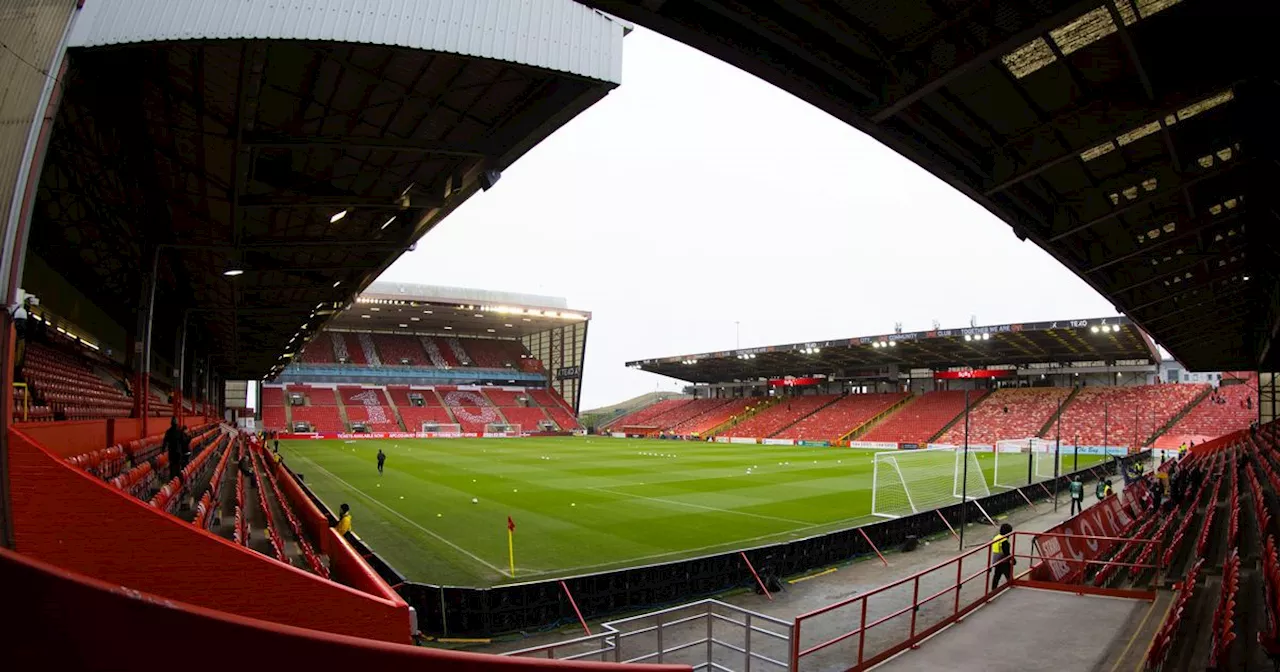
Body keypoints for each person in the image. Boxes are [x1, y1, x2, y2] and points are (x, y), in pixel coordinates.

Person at [990, 523, 1015, 590]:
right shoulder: (1004, 541)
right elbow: (1006, 553)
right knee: (1009, 575)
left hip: (996, 560)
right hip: (1003, 561)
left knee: (996, 576)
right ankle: (1012, 586)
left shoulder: (996, 537)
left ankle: (993, 590)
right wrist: (1013, 559)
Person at [162, 416, 187, 482]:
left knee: (172, 468)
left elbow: (165, 442)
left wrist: (163, 450)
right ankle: (177, 481)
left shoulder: (168, 431)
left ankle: (172, 481)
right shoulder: (179, 431)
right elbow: (183, 441)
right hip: (178, 452)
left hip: (171, 452)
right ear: (177, 423)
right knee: (178, 467)